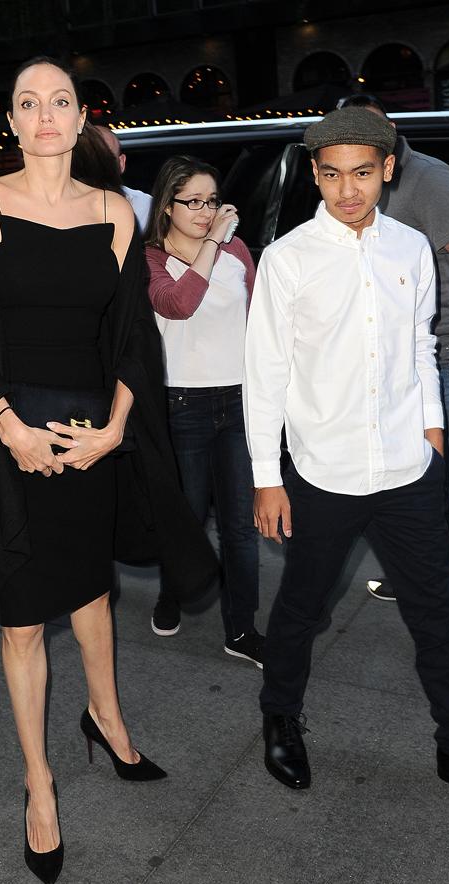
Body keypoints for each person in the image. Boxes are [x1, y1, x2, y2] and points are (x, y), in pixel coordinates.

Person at [0, 56, 217, 884]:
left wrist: (118, 429)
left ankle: (108, 719)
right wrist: (9, 427)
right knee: (24, 618)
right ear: (12, 122)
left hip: (90, 434)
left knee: (90, 589)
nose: (46, 115)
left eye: (60, 101)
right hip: (9, 435)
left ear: (80, 118)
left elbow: (130, 338)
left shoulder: (116, 214)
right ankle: (40, 785)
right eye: (29, 103)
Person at [244, 106, 449, 815]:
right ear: (314, 175)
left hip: (408, 467)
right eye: (331, 175)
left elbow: (419, 345)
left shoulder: (412, 246)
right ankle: (280, 715)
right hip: (322, 470)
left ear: (386, 169)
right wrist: (267, 477)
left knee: (438, 613)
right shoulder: (289, 259)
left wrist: (433, 437)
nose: (347, 190)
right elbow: (264, 373)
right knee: (301, 608)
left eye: (361, 173)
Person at [339, 93, 449, 665]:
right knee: (404, 480)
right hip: (391, 360)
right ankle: (418, 577)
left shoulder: (432, 178)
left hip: (447, 356)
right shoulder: (360, 188)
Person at [144, 154, 263, 668]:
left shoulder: (238, 251)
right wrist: (212, 243)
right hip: (183, 404)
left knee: (239, 525)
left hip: (237, 400)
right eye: (191, 201)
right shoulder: (149, 257)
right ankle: (172, 592)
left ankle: (241, 629)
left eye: (211, 200)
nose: (203, 210)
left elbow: (260, 322)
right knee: (189, 519)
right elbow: (176, 304)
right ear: (167, 205)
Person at [96, 124, 153, 233]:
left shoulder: (146, 207)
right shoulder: (59, 208)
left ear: (121, 163)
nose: (99, 164)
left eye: (107, 158)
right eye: (91, 156)